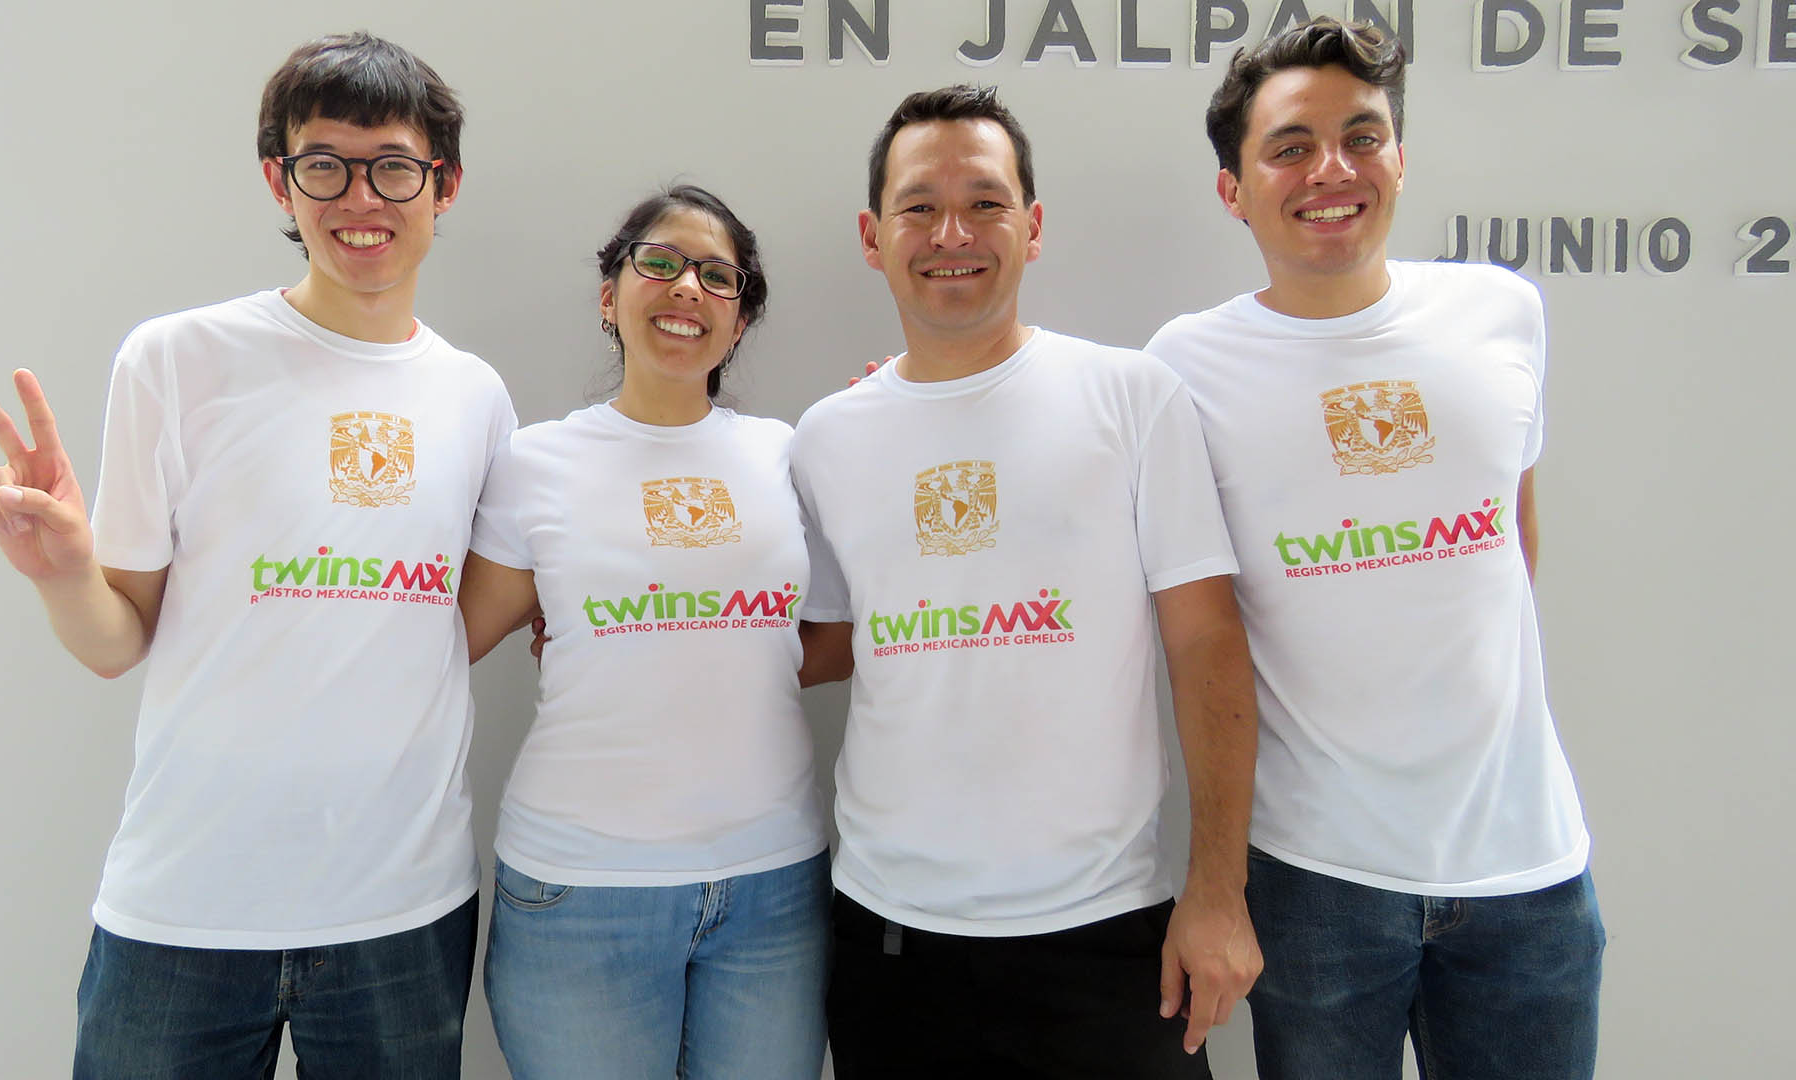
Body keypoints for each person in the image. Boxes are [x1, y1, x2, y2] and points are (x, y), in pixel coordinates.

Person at [0, 33, 509, 1078]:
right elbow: (117, 644)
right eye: (323, 166)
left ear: (444, 186)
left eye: (394, 166)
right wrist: (65, 571)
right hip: (184, 906)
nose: (362, 198)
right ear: (278, 181)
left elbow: (443, 630)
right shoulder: (179, 359)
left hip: (401, 907)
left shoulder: (477, 398)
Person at [1146, 17, 1602, 1079]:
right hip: (1317, 884)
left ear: (1400, 156)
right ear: (1235, 188)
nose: (1332, 170)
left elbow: (1507, 540)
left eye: (1363, 135)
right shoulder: (1186, 366)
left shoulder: (1503, 314)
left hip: (1529, 876)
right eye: (1291, 146)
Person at [789, 85, 1263, 1077]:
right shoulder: (827, 438)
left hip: (1107, 944)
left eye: (985, 201)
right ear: (874, 237)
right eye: (919, 205)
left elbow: (1208, 643)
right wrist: (636, 623)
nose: (950, 231)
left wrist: (1218, 890)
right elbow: (821, 644)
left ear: (1032, 226)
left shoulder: (1133, 398)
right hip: (892, 946)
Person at [460, 185, 842, 1080]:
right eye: (660, 264)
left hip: (772, 889)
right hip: (582, 891)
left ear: (741, 320)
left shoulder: (789, 454)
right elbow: (445, 639)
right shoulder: (534, 463)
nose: (687, 290)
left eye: (719, 277)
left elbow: (840, 637)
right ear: (610, 294)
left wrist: (680, 642)